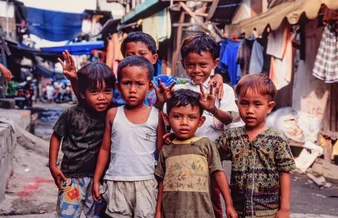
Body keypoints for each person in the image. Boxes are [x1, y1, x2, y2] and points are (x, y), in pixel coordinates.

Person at [159, 32, 243, 218]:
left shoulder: (223, 90)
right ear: (183, 64)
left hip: (210, 160)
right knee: (179, 201)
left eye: (203, 65)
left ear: (215, 63)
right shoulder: (178, 89)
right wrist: (170, 134)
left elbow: (230, 118)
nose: (197, 70)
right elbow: (168, 117)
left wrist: (212, 109)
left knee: (211, 203)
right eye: (191, 65)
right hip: (179, 157)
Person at [58, 31, 225, 107]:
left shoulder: (165, 82)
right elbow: (88, 100)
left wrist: (215, 77)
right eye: (131, 54)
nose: (137, 57)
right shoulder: (117, 88)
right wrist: (74, 79)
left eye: (142, 54)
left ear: (154, 58)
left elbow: (193, 81)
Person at [216, 74, 296, 218]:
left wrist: (284, 209)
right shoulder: (231, 137)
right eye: (244, 103)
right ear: (237, 103)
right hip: (238, 211)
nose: (250, 110)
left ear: (269, 107)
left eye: (257, 104)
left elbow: (284, 173)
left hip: (268, 213)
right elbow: (211, 157)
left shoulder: (277, 140)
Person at [92, 56, 163, 217]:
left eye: (139, 84)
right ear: (118, 86)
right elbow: (104, 149)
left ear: (150, 87)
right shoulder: (113, 114)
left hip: (146, 182)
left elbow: (162, 152)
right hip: (116, 181)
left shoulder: (156, 116)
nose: (132, 89)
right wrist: (97, 179)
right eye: (126, 83)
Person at [154, 89, 237, 218]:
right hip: (171, 212)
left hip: (201, 212)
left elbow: (219, 174)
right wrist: (158, 211)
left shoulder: (205, 144)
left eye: (191, 117)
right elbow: (161, 181)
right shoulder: (167, 148)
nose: (184, 123)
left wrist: (229, 204)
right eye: (177, 116)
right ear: (166, 118)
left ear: (200, 121)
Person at [48, 62, 116, 218]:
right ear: (83, 93)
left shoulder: (113, 113)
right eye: (94, 91)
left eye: (107, 91)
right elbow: (56, 136)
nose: (102, 97)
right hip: (71, 177)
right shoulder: (71, 113)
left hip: (100, 178)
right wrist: (53, 165)